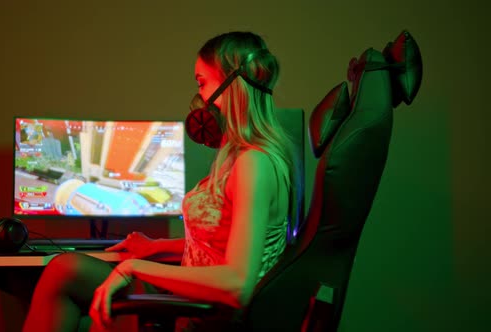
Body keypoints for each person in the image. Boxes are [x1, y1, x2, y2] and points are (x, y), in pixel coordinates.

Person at [22, 31, 302, 332]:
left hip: (206, 314)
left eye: (202, 83)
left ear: (230, 87)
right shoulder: (241, 157)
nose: (199, 99)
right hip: (193, 298)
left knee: (66, 277)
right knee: (64, 270)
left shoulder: (254, 163)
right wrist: (155, 247)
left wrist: (134, 266)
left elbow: (237, 282)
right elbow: (220, 246)